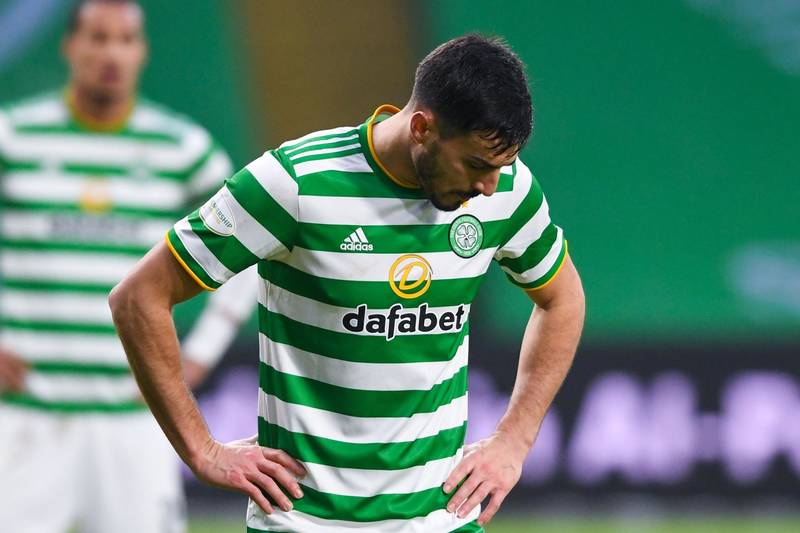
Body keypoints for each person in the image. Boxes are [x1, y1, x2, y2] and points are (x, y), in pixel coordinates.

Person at [110, 34, 586, 532]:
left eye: (500, 168)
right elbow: (139, 297)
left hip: (439, 518)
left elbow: (563, 299)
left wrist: (515, 440)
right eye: (475, 165)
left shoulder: (507, 189)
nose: (487, 187)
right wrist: (202, 450)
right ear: (422, 128)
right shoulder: (296, 183)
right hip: (304, 521)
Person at [0, 1, 256, 532]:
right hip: (26, 415)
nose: (111, 53)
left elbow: (251, 247)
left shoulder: (180, 149)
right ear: (70, 46)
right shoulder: (13, 137)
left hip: (134, 419)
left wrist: (198, 356)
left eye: (125, 39)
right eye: (98, 37)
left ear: (142, 51)